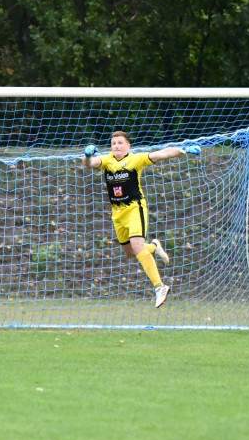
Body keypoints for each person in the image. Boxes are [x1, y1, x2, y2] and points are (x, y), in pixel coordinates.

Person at [83, 131, 200, 308]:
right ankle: (154, 247)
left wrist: (184, 150)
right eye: (114, 143)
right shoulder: (106, 161)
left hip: (134, 209)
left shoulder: (136, 160)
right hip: (118, 214)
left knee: (137, 247)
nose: (116, 146)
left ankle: (160, 287)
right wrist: (86, 155)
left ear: (128, 146)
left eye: (120, 143)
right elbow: (89, 164)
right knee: (130, 253)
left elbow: (162, 154)